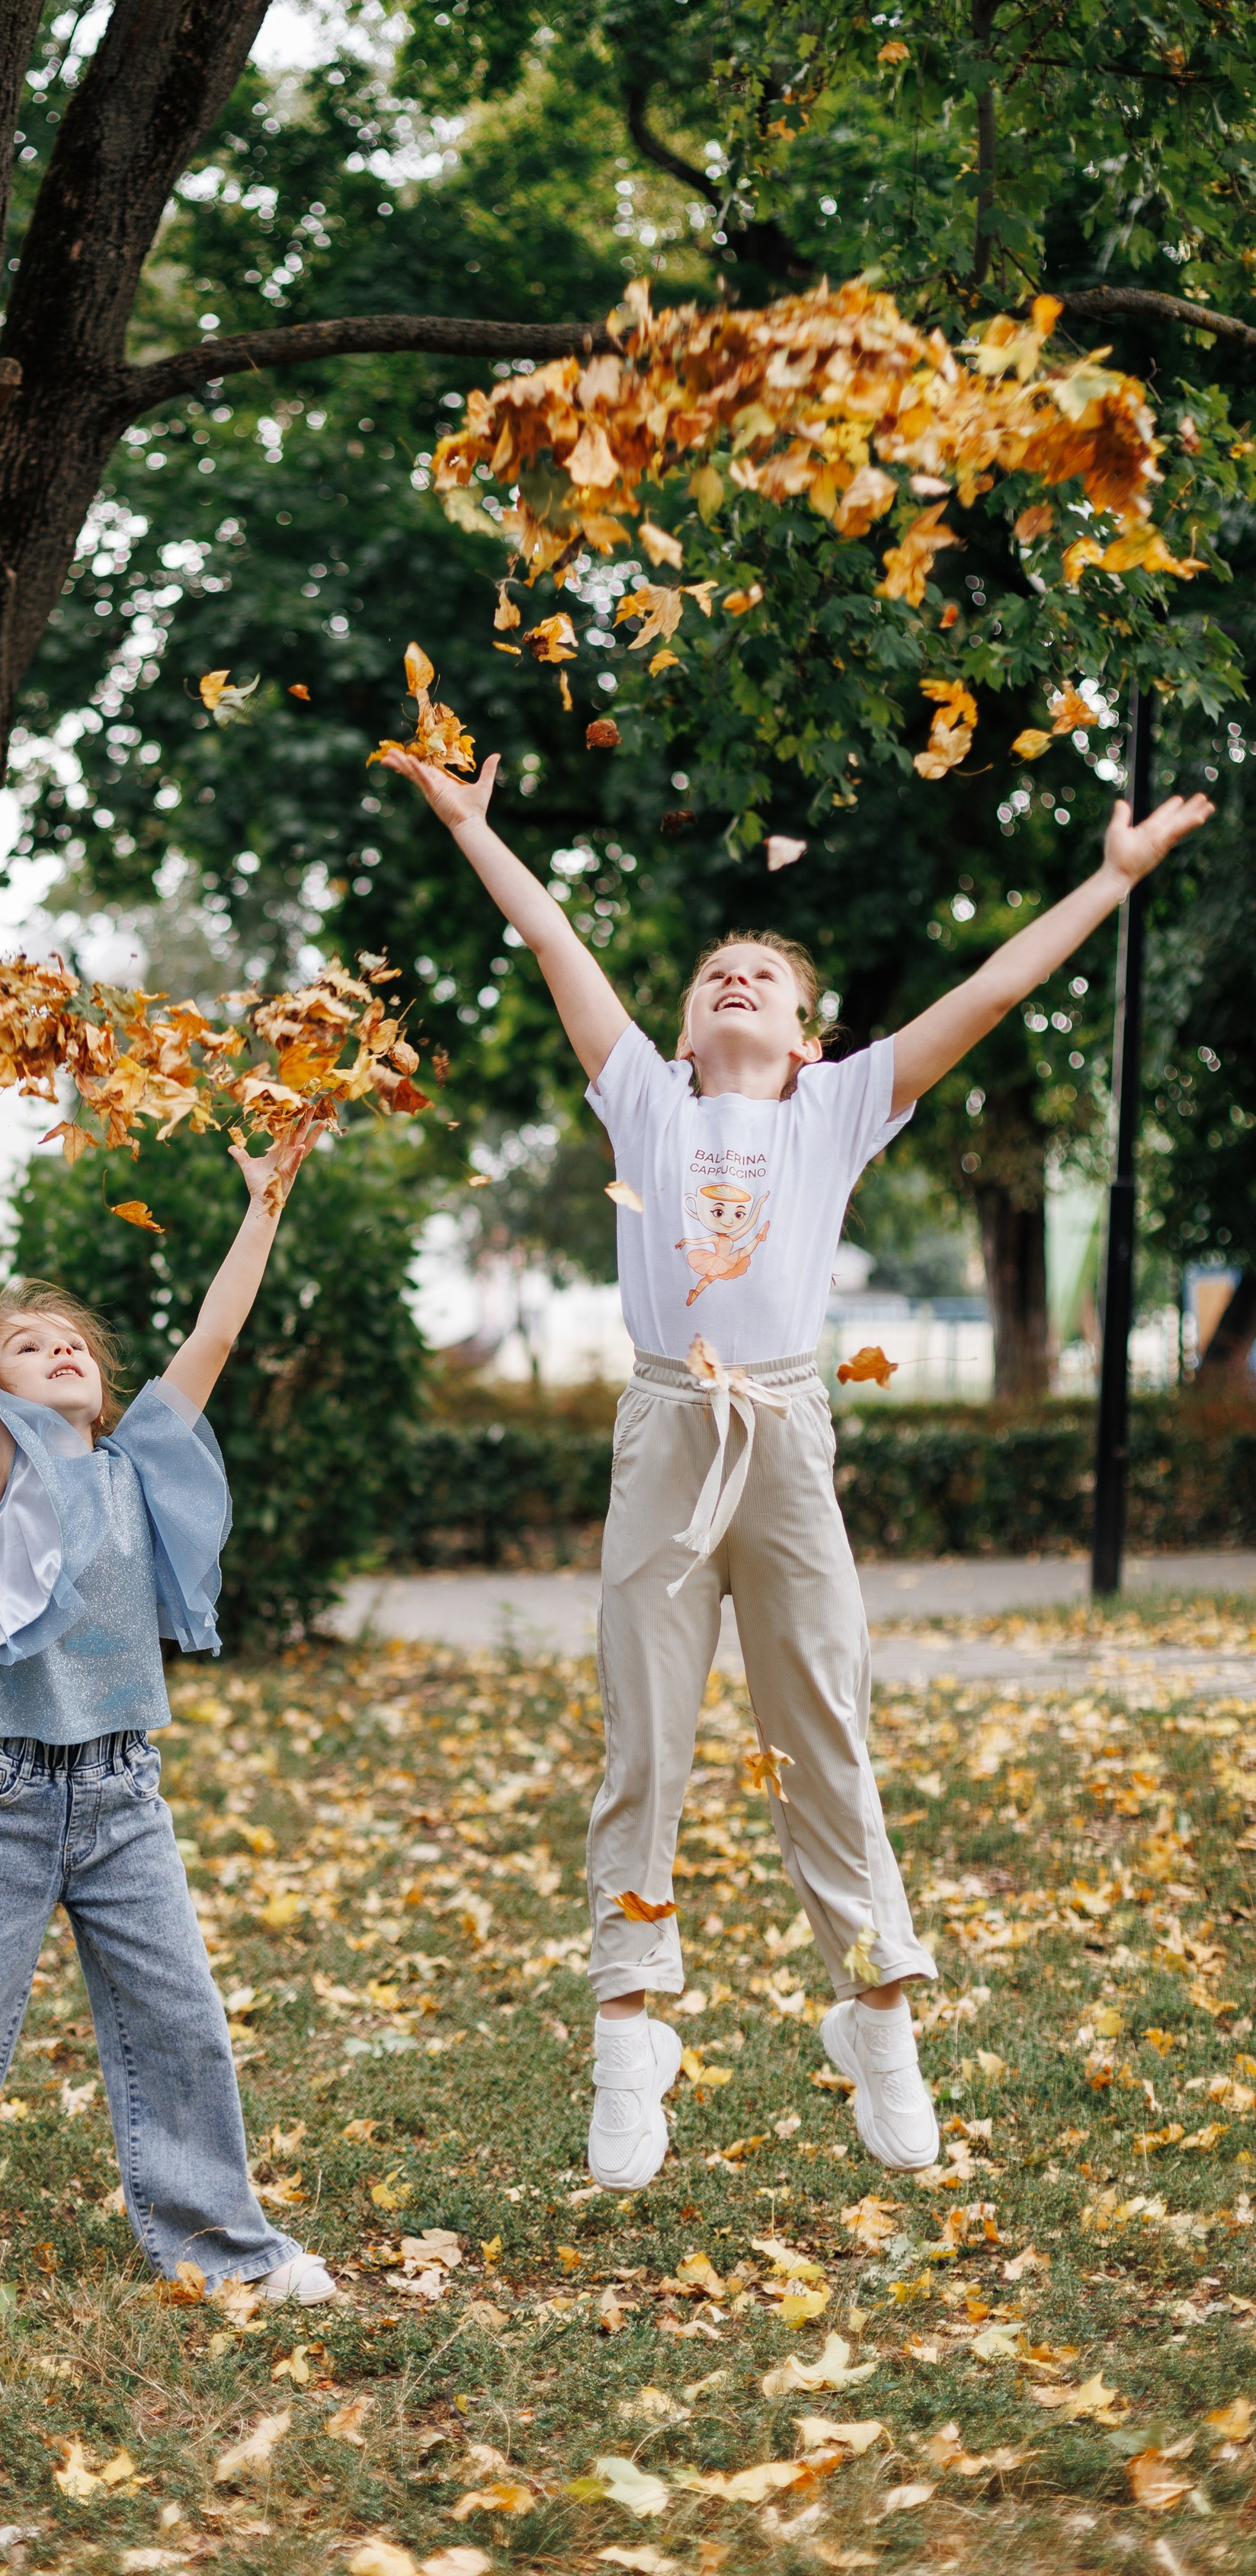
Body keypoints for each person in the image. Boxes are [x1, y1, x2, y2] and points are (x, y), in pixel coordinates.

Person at [380, 741, 1212, 2189]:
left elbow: (997, 992)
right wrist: (472, 830)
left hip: (782, 1433)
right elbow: (555, 937)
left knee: (822, 1733)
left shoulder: (837, 1111)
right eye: (716, 976)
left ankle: (878, 2020)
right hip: (662, 1433)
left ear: (811, 1039)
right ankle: (629, 2035)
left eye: (765, 976)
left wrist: (1110, 880)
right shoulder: (643, 1096)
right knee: (643, 1741)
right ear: (688, 1029)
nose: (736, 981)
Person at [0, 1125, 338, 2309]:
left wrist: (267, 1202)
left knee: (180, 2019)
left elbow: (217, 1333)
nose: (60, 1351)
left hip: (126, 1792)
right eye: (30, 1349)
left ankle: (223, 2247)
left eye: (74, 1343)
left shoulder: (140, 1459)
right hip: (9, 1792)